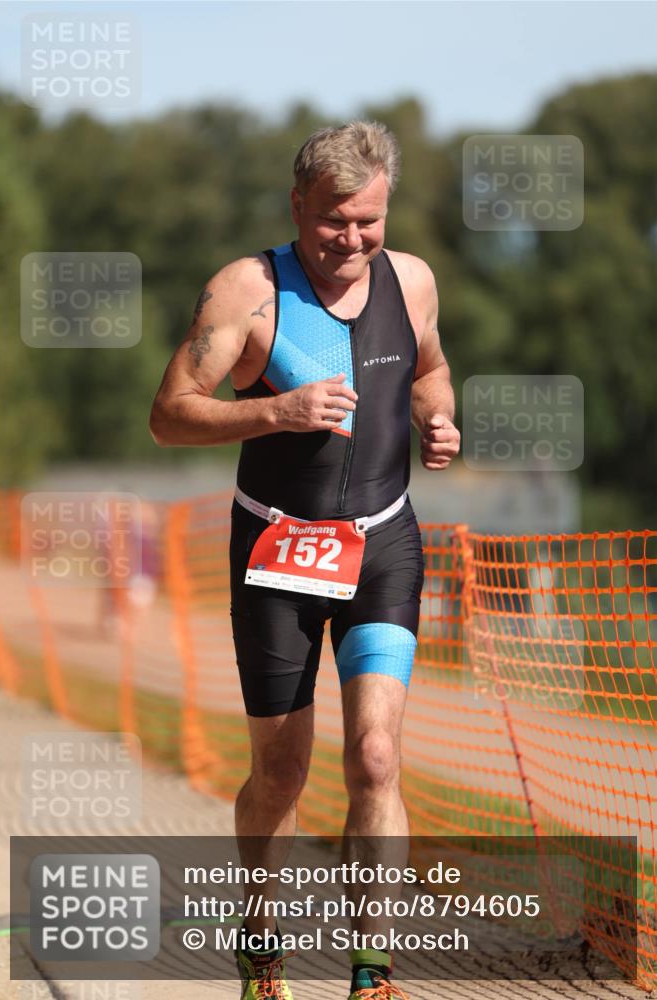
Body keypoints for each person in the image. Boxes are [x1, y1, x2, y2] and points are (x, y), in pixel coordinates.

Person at [150, 121, 460, 1000]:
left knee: (372, 756)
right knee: (281, 771)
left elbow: (431, 370)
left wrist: (438, 419)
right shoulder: (248, 293)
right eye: (333, 222)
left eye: (368, 221)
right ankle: (259, 945)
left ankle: (372, 974)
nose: (353, 240)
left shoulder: (413, 281)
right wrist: (275, 413)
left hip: (384, 545)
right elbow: (169, 414)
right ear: (298, 205)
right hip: (276, 551)